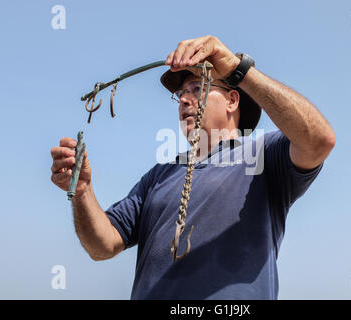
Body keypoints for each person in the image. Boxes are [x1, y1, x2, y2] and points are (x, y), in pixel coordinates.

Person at [50, 35, 336, 299]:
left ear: (232, 100)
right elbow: (102, 245)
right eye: (181, 93)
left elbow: (319, 140)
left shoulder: (263, 155)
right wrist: (83, 191)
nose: (184, 100)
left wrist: (239, 68)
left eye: (198, 88)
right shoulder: (159, 176)